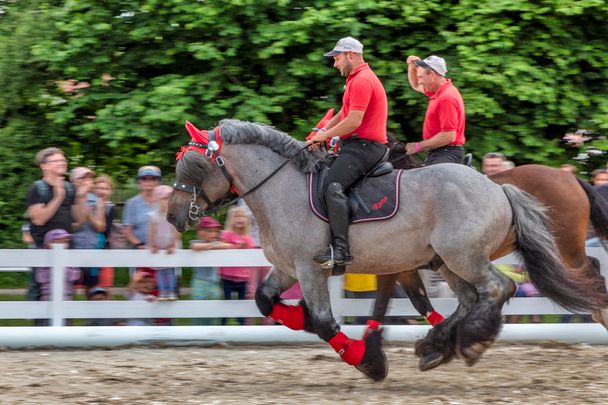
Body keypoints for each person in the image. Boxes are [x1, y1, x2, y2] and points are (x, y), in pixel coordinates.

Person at [308, 37, 389, 267]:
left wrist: (324, 136)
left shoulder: (362, 80)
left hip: (365, 147)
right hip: (356, 145)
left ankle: (340, 251)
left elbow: (354, 121)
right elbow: (343, 114)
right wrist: (322, 130)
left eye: (337, 58)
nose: (335, 64)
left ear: (350, 55)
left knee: (332, 186)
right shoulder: (356, 79)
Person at [404, 55, 466, 165]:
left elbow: (448, 136)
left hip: (447, 153)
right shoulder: (436, 91)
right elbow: (415, 86)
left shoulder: (447, 98)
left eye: (421, 77)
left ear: (432, 75)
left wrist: (418, 146)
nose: (420, 81)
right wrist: (411, 67)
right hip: (440, 152)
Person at [70, 166, 106, 296]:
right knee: (69, 287)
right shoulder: (68, 197)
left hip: (92, 248)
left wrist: (90, 215)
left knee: (91, 288)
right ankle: (66, 316)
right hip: (72, 249)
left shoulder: (96, 200)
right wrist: (80, 199)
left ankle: (91, 316)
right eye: (84, 178)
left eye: (89, 177)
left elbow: (101, 227)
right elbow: (74, 224)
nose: (88, 180)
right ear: (75, 181)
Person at [190, 216, 232, 325]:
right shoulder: (197, 242)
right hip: (200, 282)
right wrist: (212, 245)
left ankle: (212, 334)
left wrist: (214, 244)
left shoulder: (217, 243)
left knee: (214, 310)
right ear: (200, 232)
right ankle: (199, 334)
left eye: (215, 231)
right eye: (209, 231)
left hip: (214, 283)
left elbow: (228, 246)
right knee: (199, 310)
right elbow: (194, 246)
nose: (213, 234)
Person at [219, 206, 255, 325]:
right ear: (231, 219)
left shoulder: (248, 239)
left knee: (242, 308)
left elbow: (251, 255)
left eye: (242, 216)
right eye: (236, 216)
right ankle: (222, 329)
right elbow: (221, 247)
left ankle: (242, 329)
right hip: (227, 277)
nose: (239, 218)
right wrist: (235, 246)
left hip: (243, 279)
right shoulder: (226, 235)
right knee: (226, 306)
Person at [148, 185, 181, 301]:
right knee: (160, 272)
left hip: (170, 245)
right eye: (164, 199)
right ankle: (162, 292)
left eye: (169, 199)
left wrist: (173, 244)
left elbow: (177, 231)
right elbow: (151, 232)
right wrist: (152, 244)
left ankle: (171, 291)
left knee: (170, 271)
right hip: (159, 245)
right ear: (157, 200)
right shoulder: (154, 216)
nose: (166, 202)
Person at [34, 229, 81, 302]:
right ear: (51, 242)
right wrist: (55, 271)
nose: (66, 244)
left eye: (66, 242)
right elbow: (40, 277)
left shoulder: (70, 257)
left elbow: (76, 275)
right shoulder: (44, 258)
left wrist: (63, 271)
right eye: (62, 241)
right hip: (48, 294)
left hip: (66, 294)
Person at [122, 165, 162, 250]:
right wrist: (139, 245)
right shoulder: (131, 203)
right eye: (144, 179)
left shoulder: (166, 202)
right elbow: (127, 230)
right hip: (140, 251)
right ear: (139, 182)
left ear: (158, 182)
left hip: (162, 250)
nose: (148, 182)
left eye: (153, 179)